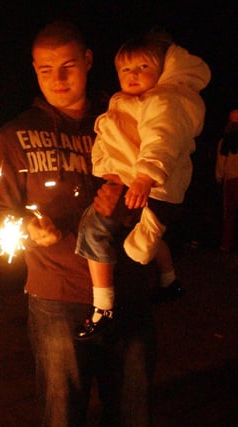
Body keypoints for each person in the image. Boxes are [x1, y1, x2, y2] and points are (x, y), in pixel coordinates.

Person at [0, 20, 156, 426]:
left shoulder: (125, 119)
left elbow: (167, 184)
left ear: (89, 61)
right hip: (56, 300)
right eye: (46, 70)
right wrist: (26, 229)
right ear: (34, 69)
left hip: (127, 289)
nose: (57, 79)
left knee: (133, 411)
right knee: (63, 414)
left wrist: (130, 205)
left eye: (68, 66)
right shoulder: (15, 134)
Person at [74, 31, 211, 337]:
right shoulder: (140, 101)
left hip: (146, 184)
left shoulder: (163, 100)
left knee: (92, 228)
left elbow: (161, 139)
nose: (132, 75)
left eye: (143, 68)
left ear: (163, 71)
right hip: (146, 185)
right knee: (148, 233)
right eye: (125, 70)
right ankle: (169, 280)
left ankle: (103, 306)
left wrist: (144, 177)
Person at [216, 109, 238, 253]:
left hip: (231, 180)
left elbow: (220, 163)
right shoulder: (225, 142)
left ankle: (226, 244)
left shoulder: (225, 142)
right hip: (232, 179)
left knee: (229, 214)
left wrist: (219, 177)